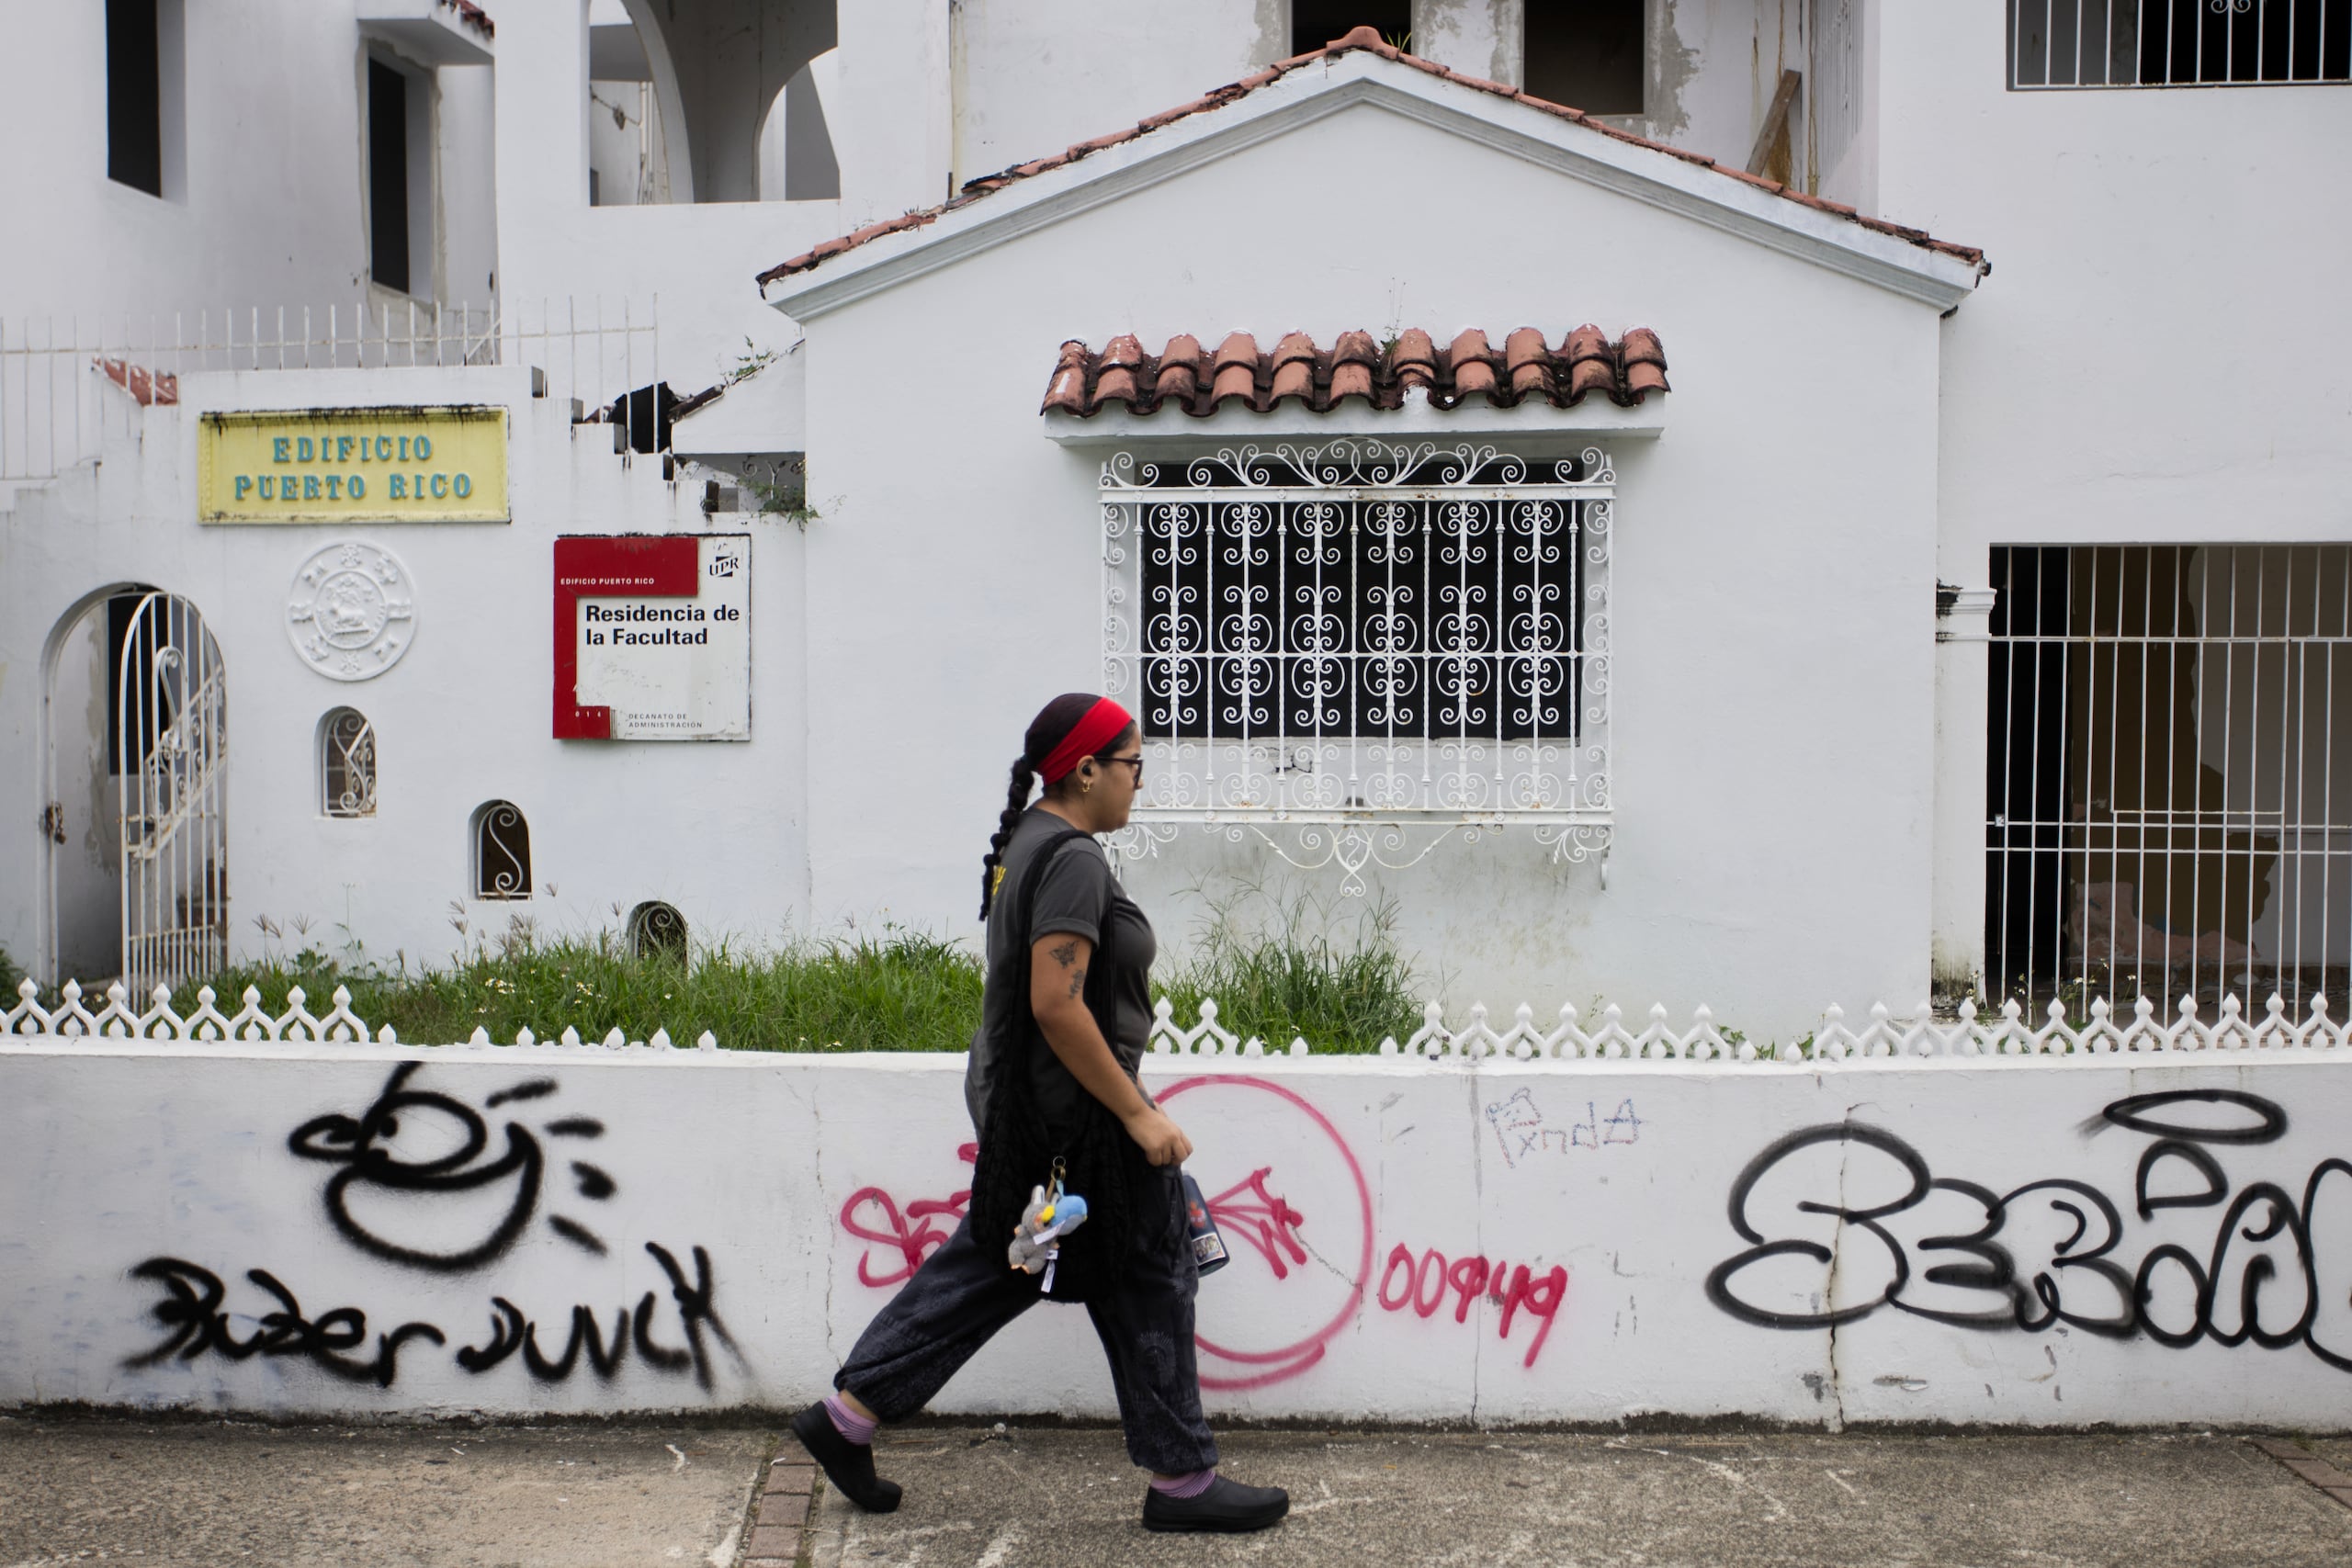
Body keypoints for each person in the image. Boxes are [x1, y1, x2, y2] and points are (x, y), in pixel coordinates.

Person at [791, 694, 1289, 1534]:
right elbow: (1057, 1003)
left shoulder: (1029, 842)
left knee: (1013, 1264)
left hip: (1038, 1110)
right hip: (1076, 1119)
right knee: (1149, 1268)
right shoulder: (1074, 859)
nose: (1139, 781)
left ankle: (850, 1416)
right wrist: (1138, 1115)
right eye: (1133, 765)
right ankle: (1181, 1480)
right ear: (1087, 769)